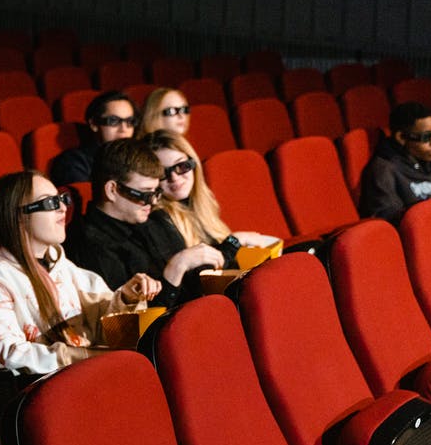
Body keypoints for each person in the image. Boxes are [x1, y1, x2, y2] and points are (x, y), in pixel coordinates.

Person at [0, 171, 161, 375]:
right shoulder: (0, 276)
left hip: (90, 374)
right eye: (50, 203)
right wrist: (74, 357)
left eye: (62, 199)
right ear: (18, 216)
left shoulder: (58, 262)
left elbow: (110, 333)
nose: (63, 208)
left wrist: (127, 298)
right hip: (54, 387)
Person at [65, 138, 226, 307]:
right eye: (145, 194)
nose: (154, 202)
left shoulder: (153, 219)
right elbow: (128, 324)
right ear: (112, 190)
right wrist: (176, 268)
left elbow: (196, 284)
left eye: (156, 192)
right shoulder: (90, 246)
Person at [141, 129, 277, 250]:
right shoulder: (159, 219)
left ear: (193, 164)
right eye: (162, 173)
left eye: (181, 166)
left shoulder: (203, 202)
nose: (174, 178)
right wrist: (235, 241)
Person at [359, 101, 431, 223]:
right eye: (426, 137)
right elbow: (389, 218)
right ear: (401, 138)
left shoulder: (426, 163)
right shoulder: (384, 170)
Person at [51, 90, 137, 185]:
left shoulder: (136, 158)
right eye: (113, 121)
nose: (123, 129)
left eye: (130, 121)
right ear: (94, 124)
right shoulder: (74, 162)